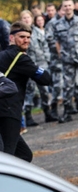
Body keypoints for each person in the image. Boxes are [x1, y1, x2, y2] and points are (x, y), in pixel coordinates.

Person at [0, 22, 52, 162]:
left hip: (5, 110)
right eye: (22, 36)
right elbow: (45, 78)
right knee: (8, 158)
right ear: (11, 38)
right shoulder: (20, 58)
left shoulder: (2, 56)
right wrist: (37, 69)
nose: (26, 40)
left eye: (28, 37)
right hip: (9, 112)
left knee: (24, 155)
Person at [20, 11, 53, 125]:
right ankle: (28, 116)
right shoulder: (20, 35)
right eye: (24, 18)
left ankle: (47, 112)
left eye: (28, 17)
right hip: (28, 66)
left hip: (41, 64)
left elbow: (45, 47)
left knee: (44, 90)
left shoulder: (37, 32)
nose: (26, 20)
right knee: (29, 91)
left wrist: (47, 60)